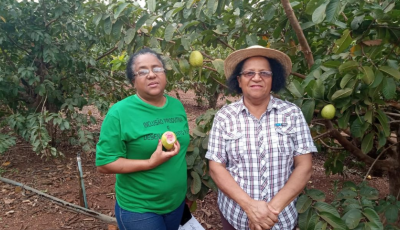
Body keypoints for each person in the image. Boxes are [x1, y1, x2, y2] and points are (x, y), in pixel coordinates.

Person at [206, 45, 317, 230]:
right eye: (249, 73)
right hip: (236, 218)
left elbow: (304, 166)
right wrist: (249, 206)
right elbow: (216, 167)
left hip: (280, 219)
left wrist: (269, 211)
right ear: (239, 81)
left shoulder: (292, 114)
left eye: (264, 73)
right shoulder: (224, 116)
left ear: (273, 80)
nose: (256, 78)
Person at [96, 48, 190, 230]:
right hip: (139, 209)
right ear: (133, 81)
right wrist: (150, 163)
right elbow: (104, 164)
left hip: (175, 203)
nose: (152, 75)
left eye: (157, 68)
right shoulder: (119, 113)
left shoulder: (177, 106)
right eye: (143, 71)